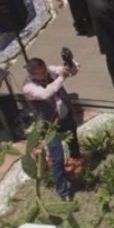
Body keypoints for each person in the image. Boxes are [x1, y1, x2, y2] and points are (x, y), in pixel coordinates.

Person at [22, 57, 81, 201]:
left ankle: (77, 169)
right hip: (49, 127)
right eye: (41, 73)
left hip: (65, 117)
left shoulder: (49, 71)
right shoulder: (28, 87)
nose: (45, 74)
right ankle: (63, 192)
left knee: (74, 144)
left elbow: (70, 71)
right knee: (57, 157)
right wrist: (62, 77)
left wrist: (70, 65)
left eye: (44, 70)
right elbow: (46, 93)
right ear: (32, 74)